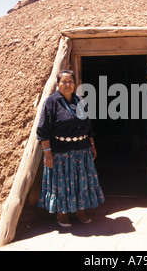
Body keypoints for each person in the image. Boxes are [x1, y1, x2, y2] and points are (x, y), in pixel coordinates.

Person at [36, 69, 105, 227]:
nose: (67, 84)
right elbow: (42, 130)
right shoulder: (51, 103)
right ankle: (62, 214)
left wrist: (92, 145)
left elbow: (89, 127)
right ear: (58, 84)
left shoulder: (81, 101)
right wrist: (48, 154)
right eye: (64, 81)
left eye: (70, 81)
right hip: (60, 152)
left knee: (81, 182)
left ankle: (80, 211)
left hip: (82, 150)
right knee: (62, 184)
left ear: (75, 84)